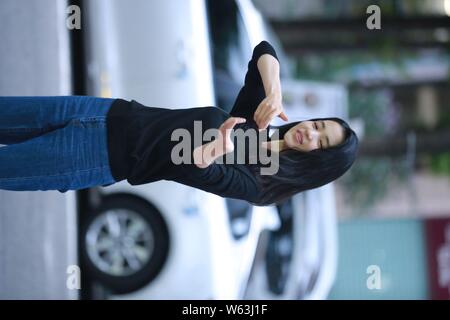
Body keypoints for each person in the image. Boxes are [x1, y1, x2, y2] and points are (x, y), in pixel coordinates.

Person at [0, 41, 358, 206]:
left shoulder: (258, 183)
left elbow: (195, 169)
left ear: (318, 159)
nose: (311, 131)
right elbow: (263, 52)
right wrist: (275, 91)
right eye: (319, 124)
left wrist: (215, 149)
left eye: (320, 141)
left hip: (98, 156)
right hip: (107, 112)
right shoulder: (258, 121)